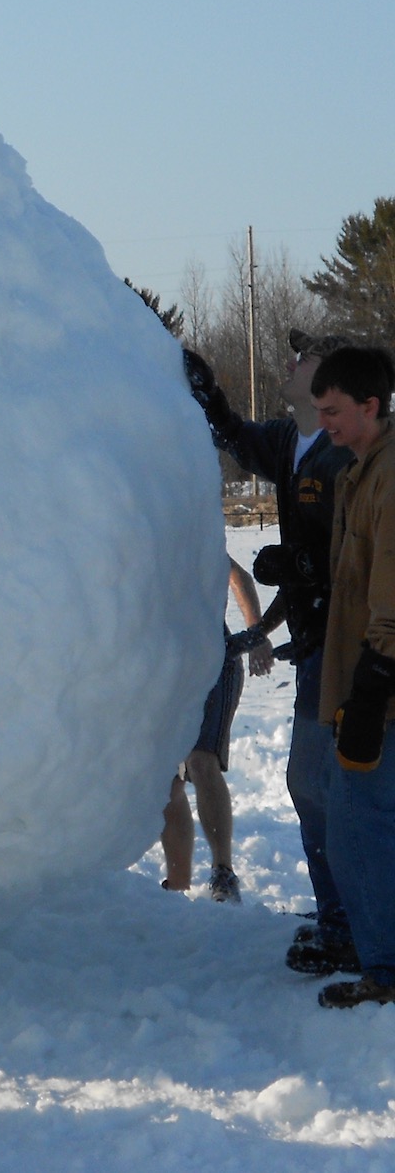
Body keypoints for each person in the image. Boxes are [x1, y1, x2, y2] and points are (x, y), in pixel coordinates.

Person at [183, 333, 355, 970]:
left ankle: (352, 924)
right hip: (313, 644)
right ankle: (339, 912)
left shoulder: (348, 457)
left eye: (304, 357)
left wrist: (303, 564)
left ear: (330, 382)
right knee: (315, 787)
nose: (291, 362)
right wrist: (204, 389)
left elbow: (356, 559)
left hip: (349, 646)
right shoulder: (291, 442)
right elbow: (232, 431)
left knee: (327, 786)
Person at [306, 347, 395, 1008]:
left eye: (333, 411)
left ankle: (385, 973)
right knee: (357, 826)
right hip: (359, 679)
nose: (324, 424)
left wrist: (374, 683)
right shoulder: (360, 470)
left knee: (358, 830)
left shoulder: (391, 477)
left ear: (370, 406)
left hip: (381, 691)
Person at [160, 558, 273, 901]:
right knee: (167, 778)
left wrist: (256, 634)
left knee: (200, 761)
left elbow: (238, 576)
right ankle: (177, 884)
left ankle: (223, 872)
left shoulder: (193, 528)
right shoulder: (144, 534)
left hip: (214, 661)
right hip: (168, 666)